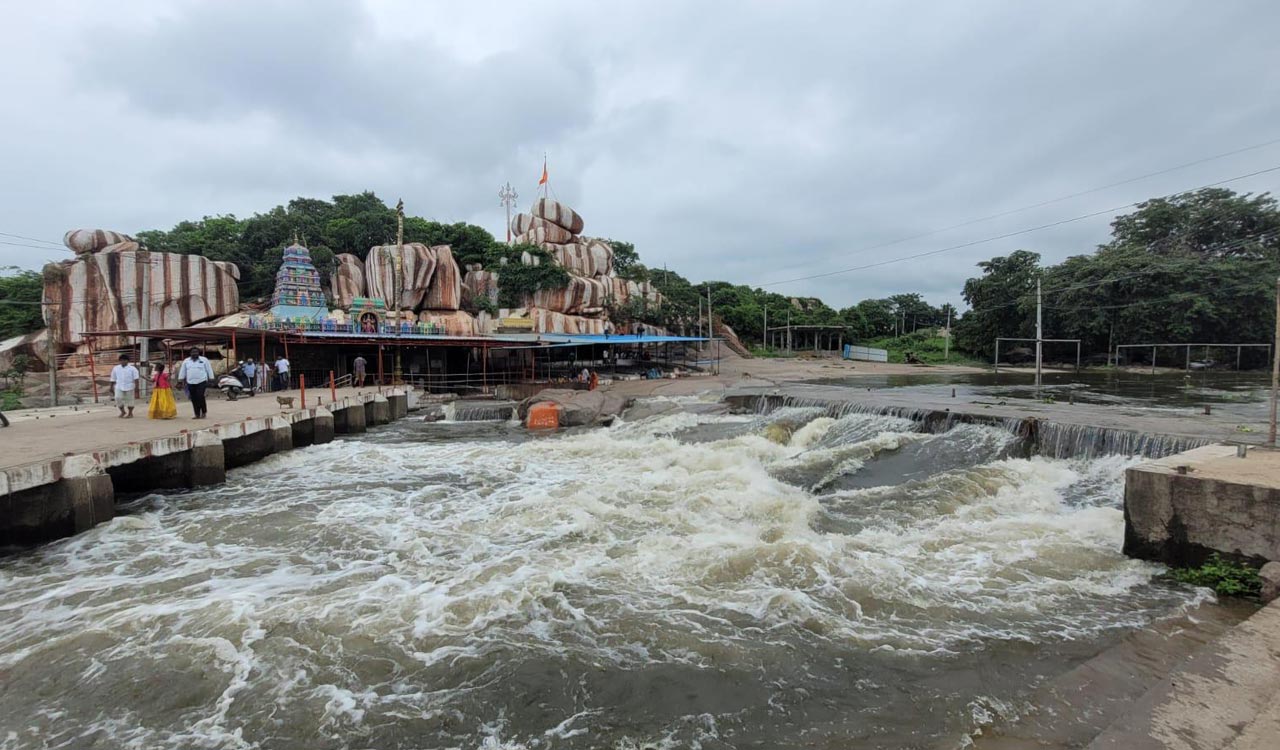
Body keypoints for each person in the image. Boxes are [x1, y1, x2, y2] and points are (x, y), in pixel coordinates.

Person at [177, 347, 215, 419]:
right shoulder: (186, 361)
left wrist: (211, 379)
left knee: (200, 396)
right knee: (193, 398)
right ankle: (197, 414)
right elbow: (183, 371)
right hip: (190, 382)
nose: (195, 353)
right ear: (190, 353)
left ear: (198, 353)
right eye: (193, 352)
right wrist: (180, 381)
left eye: (196, 352)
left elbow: (209, 369)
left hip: (201, 381)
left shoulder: (204, 360)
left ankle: (203, 412)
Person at [110, 353, 141, 419]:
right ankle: (123, 411)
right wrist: (111, 387)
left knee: (130, 400)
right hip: (119, 386)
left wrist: (137, 388)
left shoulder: (133, 369)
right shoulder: (116, 368)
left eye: (124, 360)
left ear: (127, 361)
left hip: (129, 386)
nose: (123, 362)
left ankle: (130, 413)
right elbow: (113, 378)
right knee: (117, 398)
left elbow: (136, 379)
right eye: (121, 360)